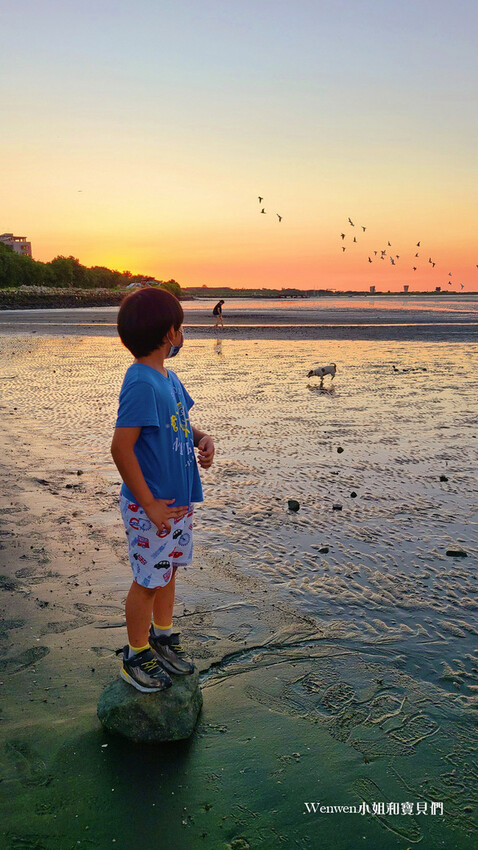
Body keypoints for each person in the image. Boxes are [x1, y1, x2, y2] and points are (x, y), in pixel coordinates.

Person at [111, 287, 215, 692]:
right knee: (147, 580)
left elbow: (179, 422)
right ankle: (135, 655)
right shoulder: (140, 381)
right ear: (170, 332)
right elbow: (121, 447)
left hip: (176, 503)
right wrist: (149, 503)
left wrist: (201, 438)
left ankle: (162, 637)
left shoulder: (168, 379)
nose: (182, 334)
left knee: (167, 571)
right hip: (150, 507)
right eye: (181, 326)